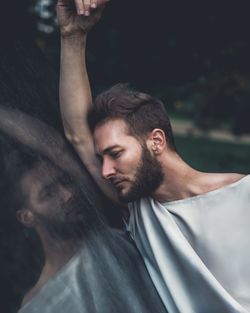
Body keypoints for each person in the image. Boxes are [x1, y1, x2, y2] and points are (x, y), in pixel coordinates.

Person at [58, 1, 250, 313]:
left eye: (115, 153)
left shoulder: (244, 195)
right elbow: (77, 134)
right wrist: (72, 37)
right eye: (102, 158)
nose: (105, 170)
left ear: (156, 141)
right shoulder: (141, 214)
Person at [0, 108, 166, 313]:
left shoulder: (117, 231)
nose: (68, 194)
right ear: (26, 217)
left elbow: (58, 149)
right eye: (48, 193)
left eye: (65, 181)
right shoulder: (41, 305)